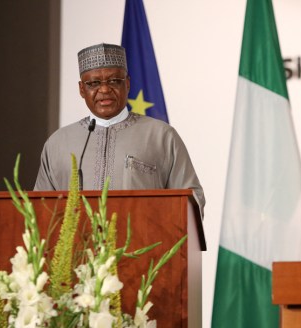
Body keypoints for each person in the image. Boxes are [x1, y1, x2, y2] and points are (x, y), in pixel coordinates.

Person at [34, 43, 205, 213]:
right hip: (78, 240)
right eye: (94, 83)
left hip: (143, 239)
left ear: (128, 84)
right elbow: (40, 210)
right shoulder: (58, 143)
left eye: (114, 81)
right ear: (81, 89)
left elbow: (191, 200)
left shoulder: (161, 136)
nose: (105, 89)